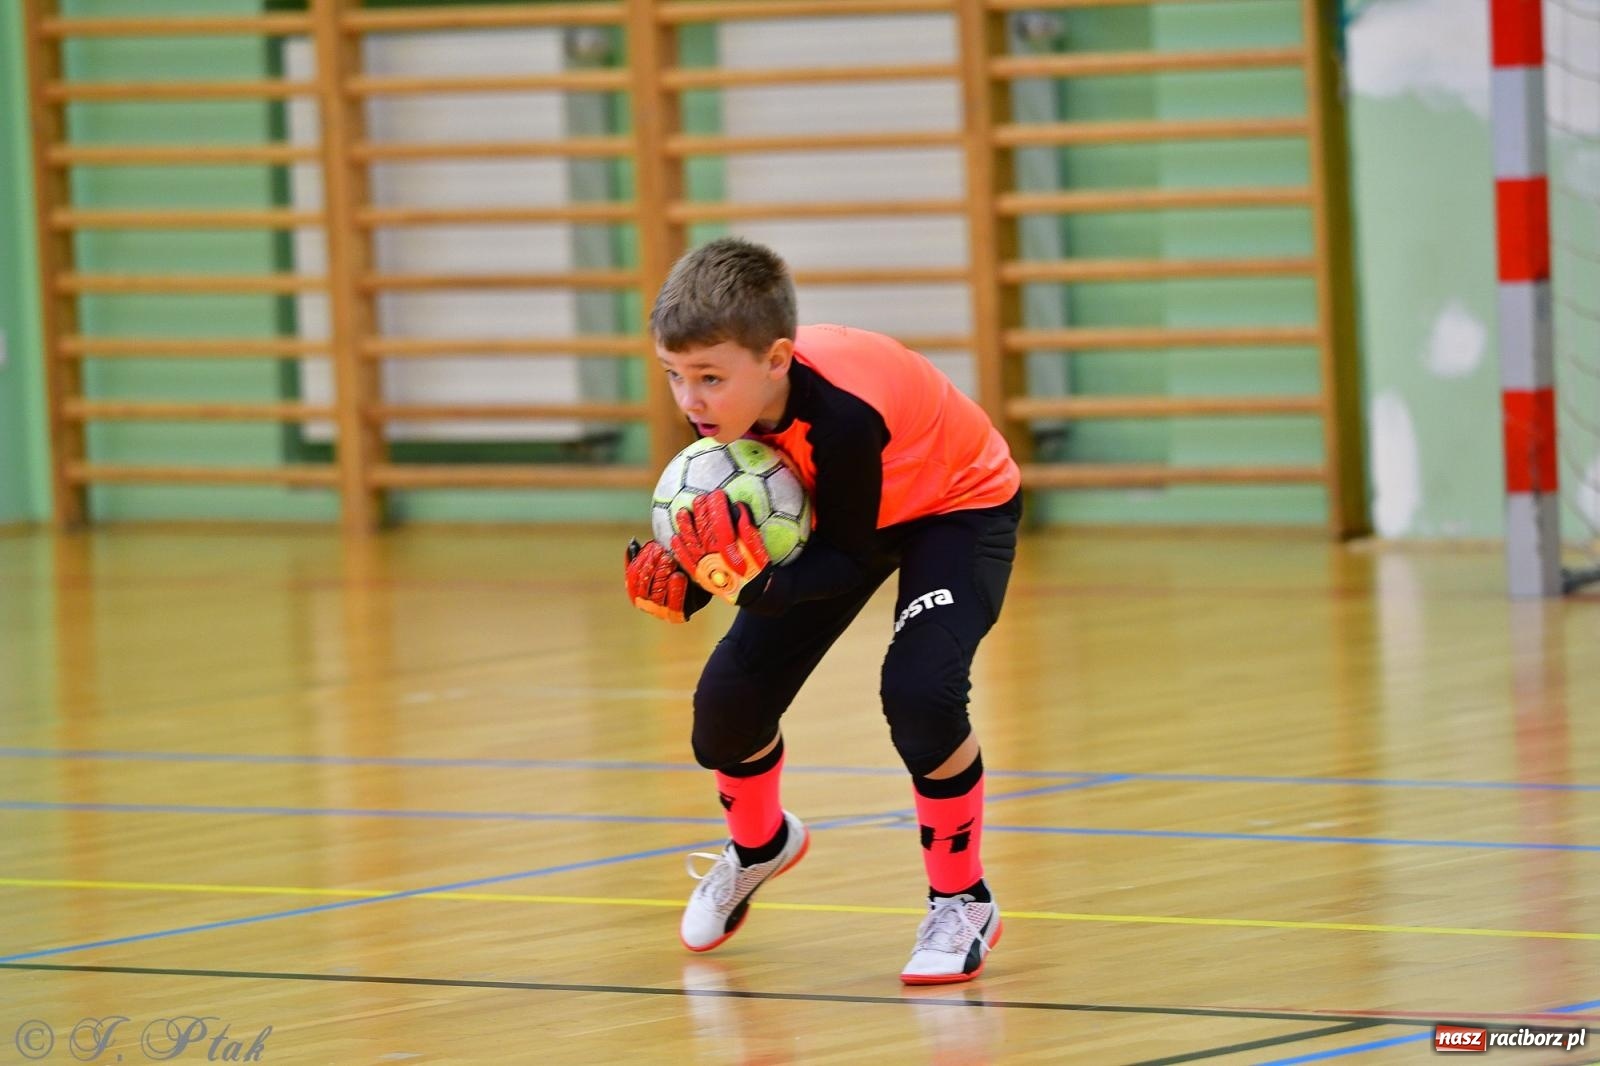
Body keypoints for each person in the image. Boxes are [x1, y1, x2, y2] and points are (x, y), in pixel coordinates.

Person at [625, 237, 1022, 985]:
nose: (689, 400)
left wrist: (746, 586)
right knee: (725, 710)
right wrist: (694, 570)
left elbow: (842, 557)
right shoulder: (719, 407)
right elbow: (765, 524)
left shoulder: (841, 416)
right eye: (673, 376)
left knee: (920, 691)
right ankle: (759, 846)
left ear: (777, 359)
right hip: (840, 517)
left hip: (953, 509)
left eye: (708, 378)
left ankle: (962, 900)